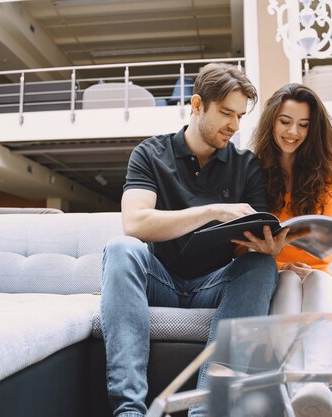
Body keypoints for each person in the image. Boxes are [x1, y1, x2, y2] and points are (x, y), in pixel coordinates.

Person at [100, 63, 295, 417]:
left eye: (239, 116)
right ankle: (129, 411)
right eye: (225, 113)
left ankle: (207, 410)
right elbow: (135, 222)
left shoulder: (246, 166)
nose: (234, 126)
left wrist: (266, 245)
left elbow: (257, 230)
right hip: (159, 281)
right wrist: (213, 211)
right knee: (121, 249)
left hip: (214, 284)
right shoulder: (150, 154)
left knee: (261, 266)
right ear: (197, 104)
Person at [251, 83, 332, 417]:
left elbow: (331, 253)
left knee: (318, 281)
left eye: (304, 125)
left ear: (314, 129)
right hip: (274, 273)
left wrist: (296, 258)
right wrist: (280, 263)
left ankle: (313, 384)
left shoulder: (330, 175)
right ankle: (300, 389)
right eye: (285, 121)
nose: (293, 131)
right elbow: (244, 241)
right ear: (271, 122)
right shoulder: (254, 171)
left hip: (321, 275)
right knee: (287, 282)